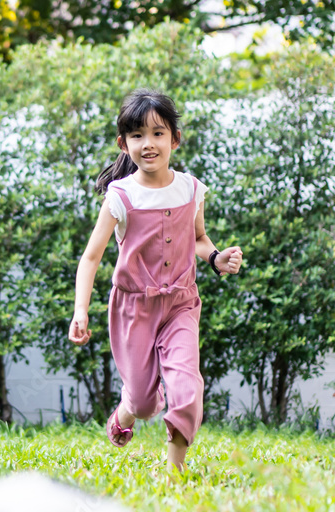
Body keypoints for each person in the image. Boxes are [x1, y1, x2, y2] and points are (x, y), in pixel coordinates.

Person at [69, 89, 243, 472]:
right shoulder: (121, 196)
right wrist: (81, 310)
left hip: (181, 303)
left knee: (185, 387)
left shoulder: (191, 189)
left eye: (158, 133)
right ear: (124, 143)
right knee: (146, 402)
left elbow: (197, 238)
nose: (148, 144)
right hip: (133, 308)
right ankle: (127, 412)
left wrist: (216, 258)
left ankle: (175, 474)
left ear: (174, 139)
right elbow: (91, 256)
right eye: (137, 135)